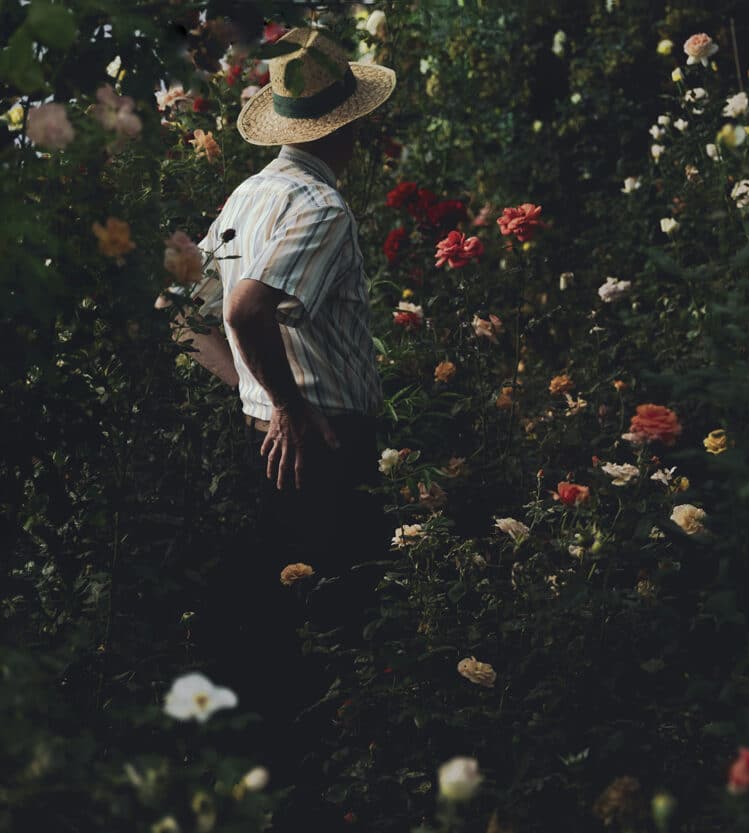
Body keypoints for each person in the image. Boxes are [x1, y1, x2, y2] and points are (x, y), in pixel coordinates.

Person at [157, 26, 396, 831]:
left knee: (284, 632)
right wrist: (289, 406)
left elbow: (185, 320)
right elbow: (243, 308)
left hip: (274, 441)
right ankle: (326, 802)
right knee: (333, 631)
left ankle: (268, 796)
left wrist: (255, 400)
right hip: (321, 441)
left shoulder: (247, 195)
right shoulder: (321, 205)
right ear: (346, 128)